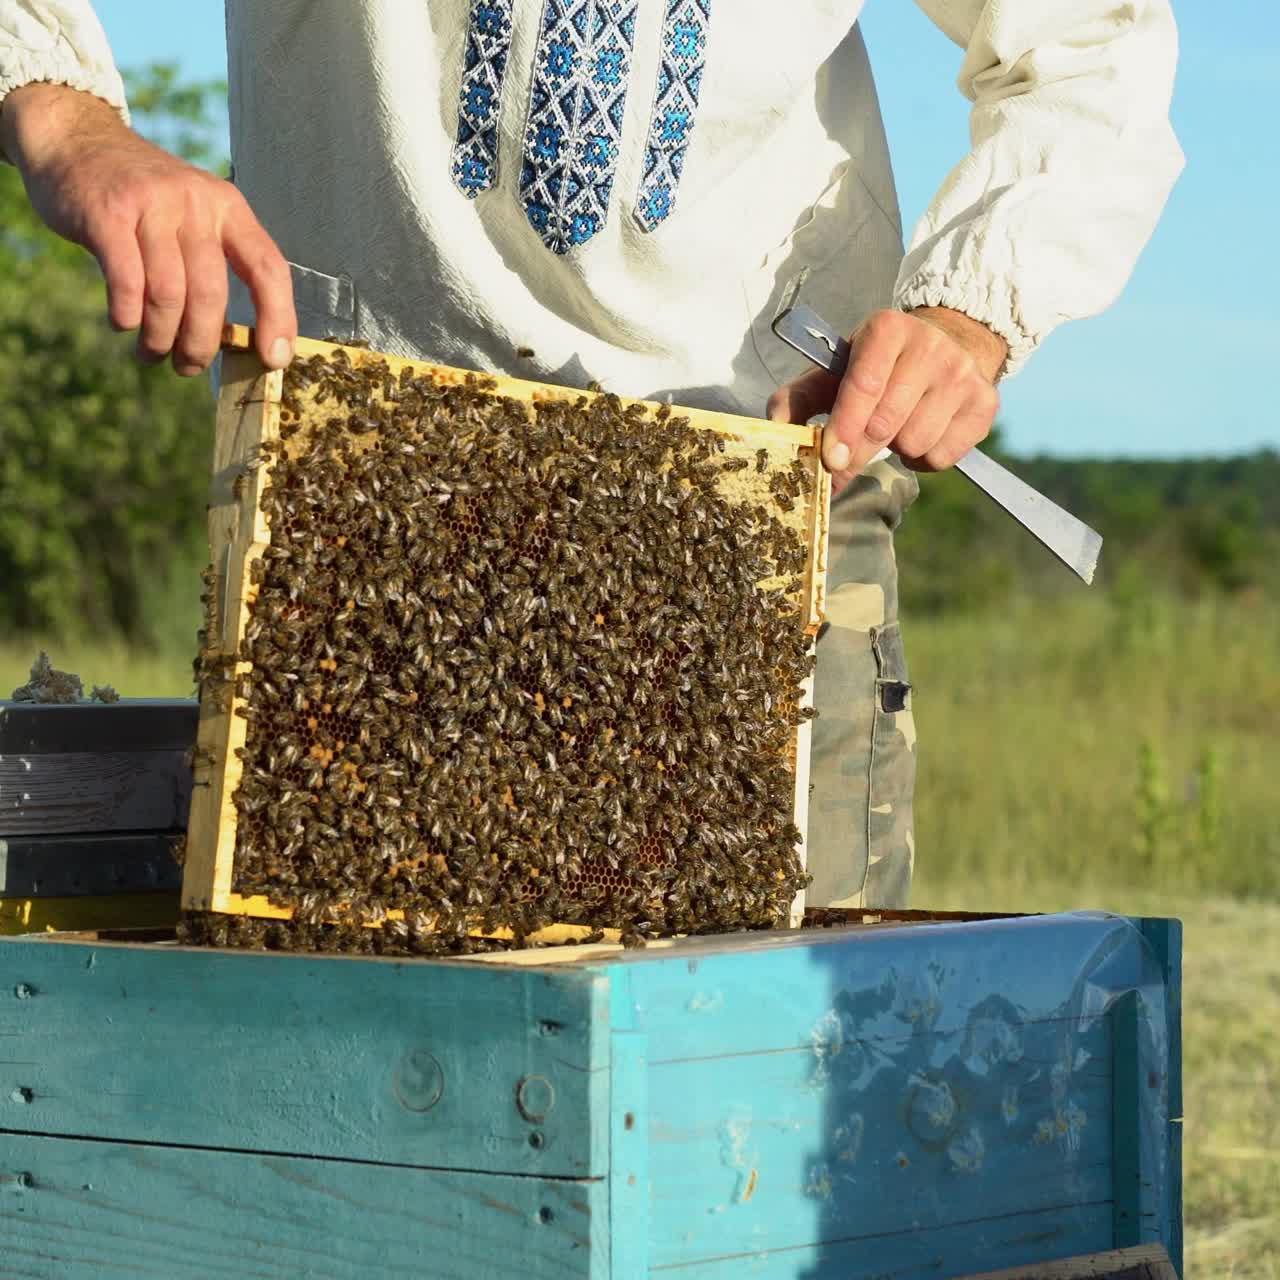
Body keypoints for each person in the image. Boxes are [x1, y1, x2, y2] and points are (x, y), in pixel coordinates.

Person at [0, 1, 1182, 909]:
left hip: (761, 474)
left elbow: (1088, 46)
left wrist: (968, 314)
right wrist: (67, 117)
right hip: (369, 479)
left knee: (767, 1104)